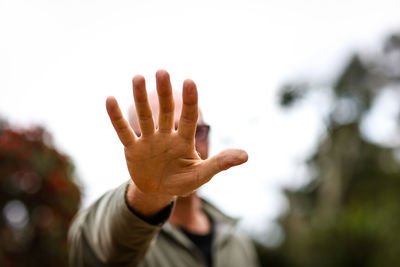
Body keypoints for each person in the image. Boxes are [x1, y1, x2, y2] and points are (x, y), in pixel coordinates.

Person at [68, 70, 260, 267]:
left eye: (196, 130)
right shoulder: (113, 237)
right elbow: (95, 249)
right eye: (166, 132)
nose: (187, 145)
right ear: (132, 144)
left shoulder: (237, 243)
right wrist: (150, 194)